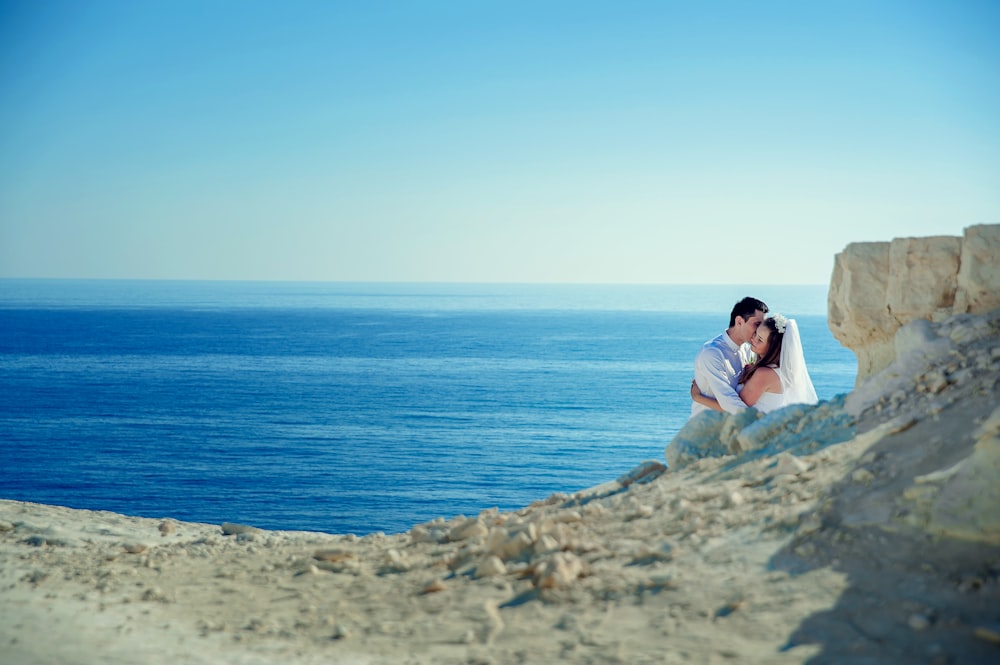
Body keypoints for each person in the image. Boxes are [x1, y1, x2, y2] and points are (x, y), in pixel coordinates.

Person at [690, 313, 818, 414]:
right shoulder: (777, 370)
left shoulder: (765, 374)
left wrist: (698, 398)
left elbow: (737, 410)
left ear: (772, 347)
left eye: (760, 340)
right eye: (756, 333)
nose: (753, 339)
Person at [689, 297, 768, 418]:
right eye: (757, 324)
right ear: (739, 322)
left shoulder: (749, 350)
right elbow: (728, 401)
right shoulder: (712, 353)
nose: (760, 331)